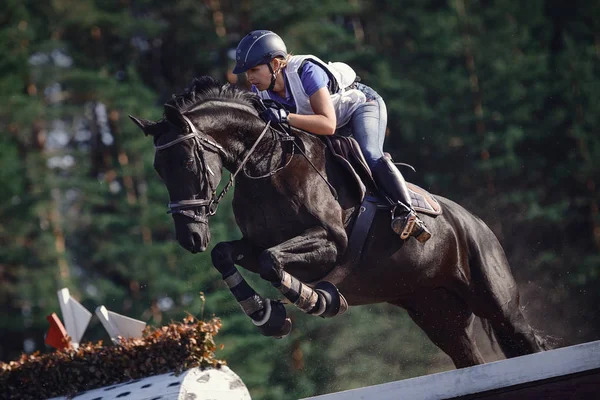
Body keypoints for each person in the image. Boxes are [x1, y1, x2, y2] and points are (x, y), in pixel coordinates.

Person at [233, 30, 431, 243]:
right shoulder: (259, 92)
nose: (250, 78)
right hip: (329, 125)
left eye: (254, 69)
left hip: (361, 107)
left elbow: (328, 124)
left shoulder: (305, 71)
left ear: (275, 64)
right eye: (247, 72)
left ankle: (407, 212)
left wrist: (286, 117)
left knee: (370, 154)